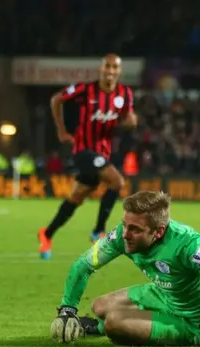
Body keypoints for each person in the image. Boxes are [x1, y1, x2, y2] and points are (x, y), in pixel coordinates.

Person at [50, 191, 200, 347]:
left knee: (113, 323)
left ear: (159, 231)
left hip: (198, 320)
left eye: (135, 229)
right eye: (124, 225)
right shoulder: (123, 234)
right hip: (166, 294)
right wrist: (68, 309)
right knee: (100, 305)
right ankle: (118, 323)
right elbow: (83, 265)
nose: (125, 235)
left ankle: (103, 327)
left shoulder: (188, 245)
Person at [37, 54, 138, 260]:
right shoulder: (86, 90)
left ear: (119, 71)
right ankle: (98, 231)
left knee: (77, 197)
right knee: (117, 182)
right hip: (83, 151)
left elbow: (128, 118)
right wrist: (61, 130)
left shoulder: (125, 94)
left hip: (102, 152)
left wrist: (131, 122)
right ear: (101, 69)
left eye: (114, 67)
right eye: (106, 67)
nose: (110, 71)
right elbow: (57, 99)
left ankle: (46, 234)